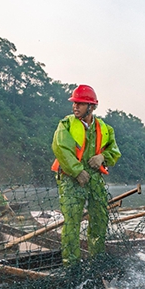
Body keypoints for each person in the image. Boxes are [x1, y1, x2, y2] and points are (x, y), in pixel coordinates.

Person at [51, 84, 121, 266]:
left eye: (80, 104)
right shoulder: (65, 124)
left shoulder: (105, 129)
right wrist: (76, 170)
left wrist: (102, 157)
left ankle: (97, 260)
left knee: (99, 220)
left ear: (92, 107)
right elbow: (60, 148)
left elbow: (114, 151)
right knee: (72, 223)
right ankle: (71, 265)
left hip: (95, 179)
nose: (75, 107)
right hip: (70, 179)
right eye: (74, 103)